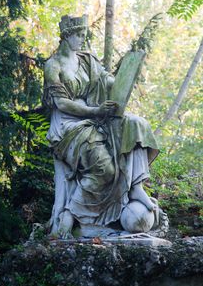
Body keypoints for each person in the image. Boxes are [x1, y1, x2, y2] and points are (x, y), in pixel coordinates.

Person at [43, 15, 159, 238]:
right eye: (79, 35)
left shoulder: (87, 60)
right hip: (69, 126)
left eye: (84, 35)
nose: (82, 40)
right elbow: (61, 103)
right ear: (66, 36)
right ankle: (71, 215)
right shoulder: (53, 65)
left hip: (96, 118)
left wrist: (124, 79)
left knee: (136, 124)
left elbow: (107, 80)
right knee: (105, 169)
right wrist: (94, 111)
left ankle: (136, 185)